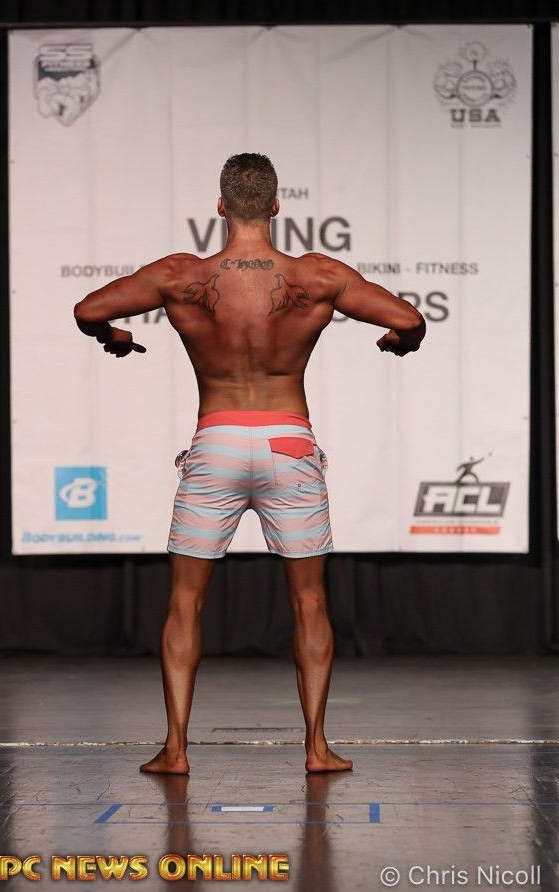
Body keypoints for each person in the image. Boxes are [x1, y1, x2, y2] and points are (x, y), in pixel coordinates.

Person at [74, 153, 426, 775]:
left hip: (216, 442)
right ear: (276, 207)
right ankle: (316, 748)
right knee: (309, 601)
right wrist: (398, 341)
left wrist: (115, 338)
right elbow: (410, 320)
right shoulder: (316, 275)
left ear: (220, 207)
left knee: (185, 602)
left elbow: (87, 311)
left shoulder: (180, 275)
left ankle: (176, 750)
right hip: (289, 442)